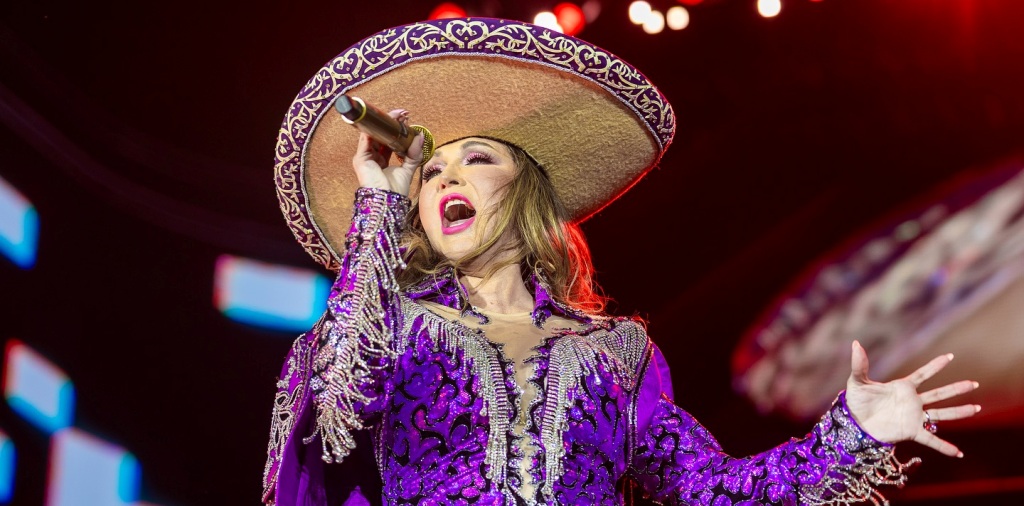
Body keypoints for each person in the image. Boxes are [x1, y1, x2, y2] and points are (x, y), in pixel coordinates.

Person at [263, 18, 979, 506]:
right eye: (430, 174)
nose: (445, 177)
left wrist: (851, 433)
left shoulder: (616, 355)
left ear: (528, 192)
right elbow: (334, 402)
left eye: (475, 159)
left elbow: (712, 491)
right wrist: (379, 203)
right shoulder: (398, 331)